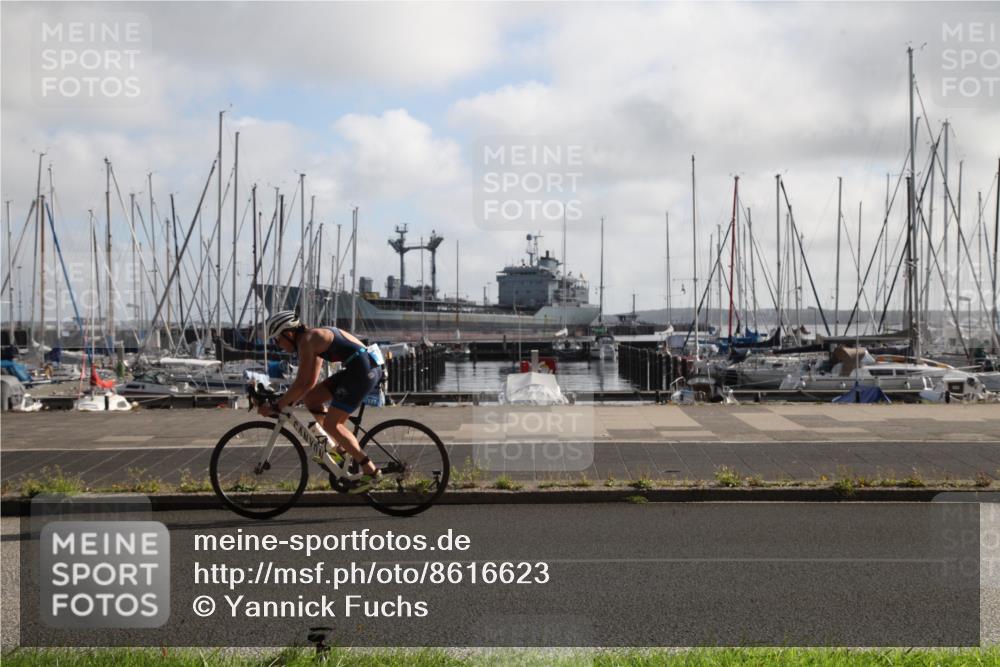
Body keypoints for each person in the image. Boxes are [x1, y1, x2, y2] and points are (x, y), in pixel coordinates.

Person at [260, 311, 382, 493]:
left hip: (363, 371)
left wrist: (277, 406)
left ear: (289, 333)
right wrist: (288, 400)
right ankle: (337, 450)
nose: (278, 345)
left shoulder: (308, 340)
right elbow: (309, 383)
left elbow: (301, 383)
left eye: (277, 339)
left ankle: (371, 471)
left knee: (334, 424)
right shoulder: (311, 339)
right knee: (312, 399)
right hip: (358, 367)